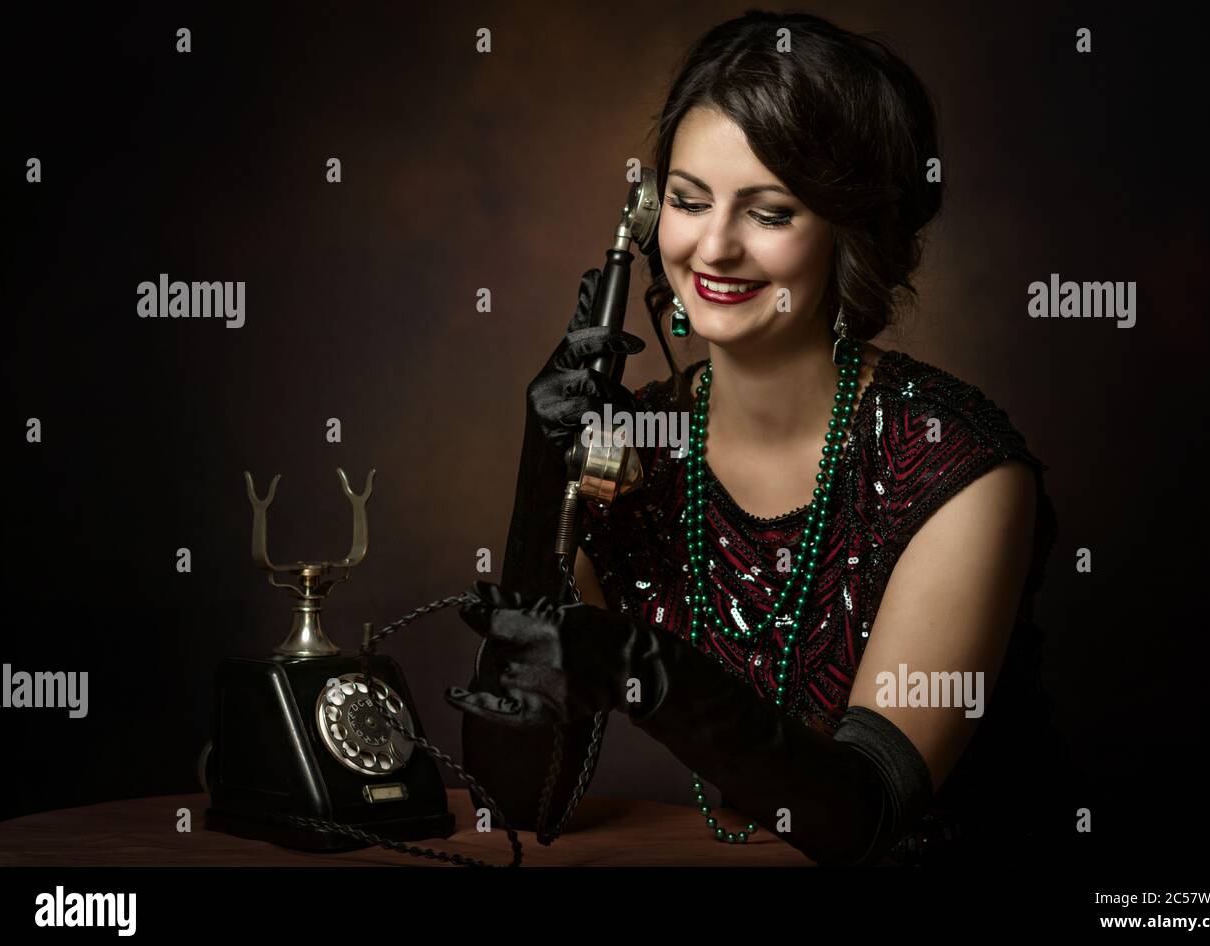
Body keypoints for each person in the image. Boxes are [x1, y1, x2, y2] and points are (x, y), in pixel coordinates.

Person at [446, 11, 1069, 866]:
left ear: (848, 234)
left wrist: (646, 668)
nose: (713, 246)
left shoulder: (953, 467)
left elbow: (866, 815)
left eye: (770, 212)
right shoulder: (636, 452)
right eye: (687, 200)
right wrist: (538, 480)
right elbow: (520, 801)